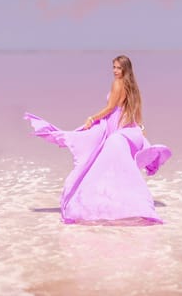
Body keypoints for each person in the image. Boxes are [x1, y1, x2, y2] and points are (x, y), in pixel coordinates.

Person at [24, 55, 171, 225]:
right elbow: (136, 114)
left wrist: (92, 118)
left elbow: (110, 108)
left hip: (114, 128)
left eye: (118, 68)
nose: (115, 71)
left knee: (89, 154)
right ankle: (118, 204)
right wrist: (142, 131)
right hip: (127, 129)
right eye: (114, 67)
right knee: (112, 166)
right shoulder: (134, 88)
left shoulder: (118, 84)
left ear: (125, 69)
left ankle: (90, 203)